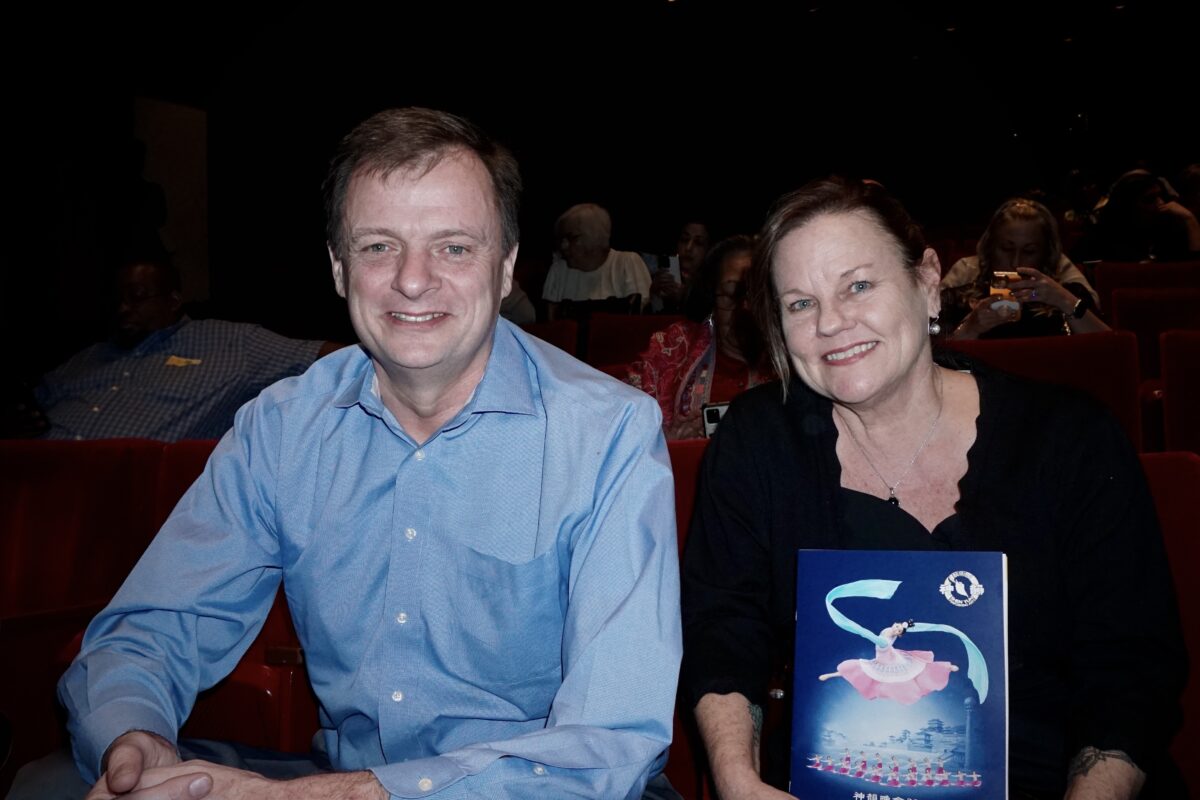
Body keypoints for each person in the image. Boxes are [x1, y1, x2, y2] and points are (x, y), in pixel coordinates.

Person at [24, 108, 681, 799]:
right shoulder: (281, 428)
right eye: (378, 247)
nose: (413, 280)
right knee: (50, 785)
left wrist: (342, 795)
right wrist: (137, 742)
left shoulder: (608, 434)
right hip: (334, 780)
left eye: (454, 247)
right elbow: (154, 628)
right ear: (339, 269)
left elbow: (613, 741)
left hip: (543, 786)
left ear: (508, 265)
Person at [681, 177, 1185, 799]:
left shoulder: (1068, 438)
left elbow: (1131, 666)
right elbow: (722, 630)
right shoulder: (758, 442)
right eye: (800, 304)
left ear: (925, 281)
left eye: (858, 285)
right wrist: (736, 779)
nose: (833, 323)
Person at [34, 257, 338, 441]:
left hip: (128, 494)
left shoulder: (231, 344)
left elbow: (327, 356)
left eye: (138, 296)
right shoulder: (89, 357)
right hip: (34, 479)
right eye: (117, 300)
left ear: (174, 300)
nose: (124, 308)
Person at [626, 235, 772, 439]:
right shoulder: (673, 346)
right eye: (731, 295)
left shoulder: (796, 356)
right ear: (711, 296)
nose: (744, 308)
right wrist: (666, 442)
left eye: (755, 296)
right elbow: (625, 428)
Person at [940, 198, 1109, 339]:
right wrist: (970, 328)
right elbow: (934, 362)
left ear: (1045, 254)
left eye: (1029, 251)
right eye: (1007, 249)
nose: (1016, 262)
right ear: (990, 248)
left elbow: (1113, 351)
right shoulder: (959, 297)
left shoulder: (1067, 294)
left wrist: (1064, 301)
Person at [541, 203, 652, 320]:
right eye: (562, 239)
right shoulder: (558, 270)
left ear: (595, 236)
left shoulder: (626, 263)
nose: (564, 246)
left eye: (572, 238)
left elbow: (641, 318)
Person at [1079, 169, 1200, 262]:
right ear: (1127, 206)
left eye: (1160, 196)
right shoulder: (1102, 237)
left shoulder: (1169, 230)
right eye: (1150, 199)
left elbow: (1192, 273)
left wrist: (1190, 219)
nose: (1161, 203)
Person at [646, 221, 711, 313]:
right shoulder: (665, 277)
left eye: (698, 243)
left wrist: (685, 299)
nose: (688, 248)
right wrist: (655, 296)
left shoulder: (712, 285)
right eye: (684, 240)